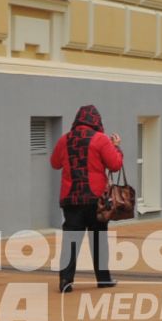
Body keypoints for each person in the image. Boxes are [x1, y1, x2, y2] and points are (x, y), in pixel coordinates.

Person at [50, 104, 122, 292]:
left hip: (71, 199)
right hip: (95, 199)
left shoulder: (64, 140)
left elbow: (55, 163)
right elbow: (114, 164)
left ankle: (65, 281)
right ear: (96, 121)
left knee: (70, 241)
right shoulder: (101, 139)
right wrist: (116, 147)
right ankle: (103, 279)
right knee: (98, 239)